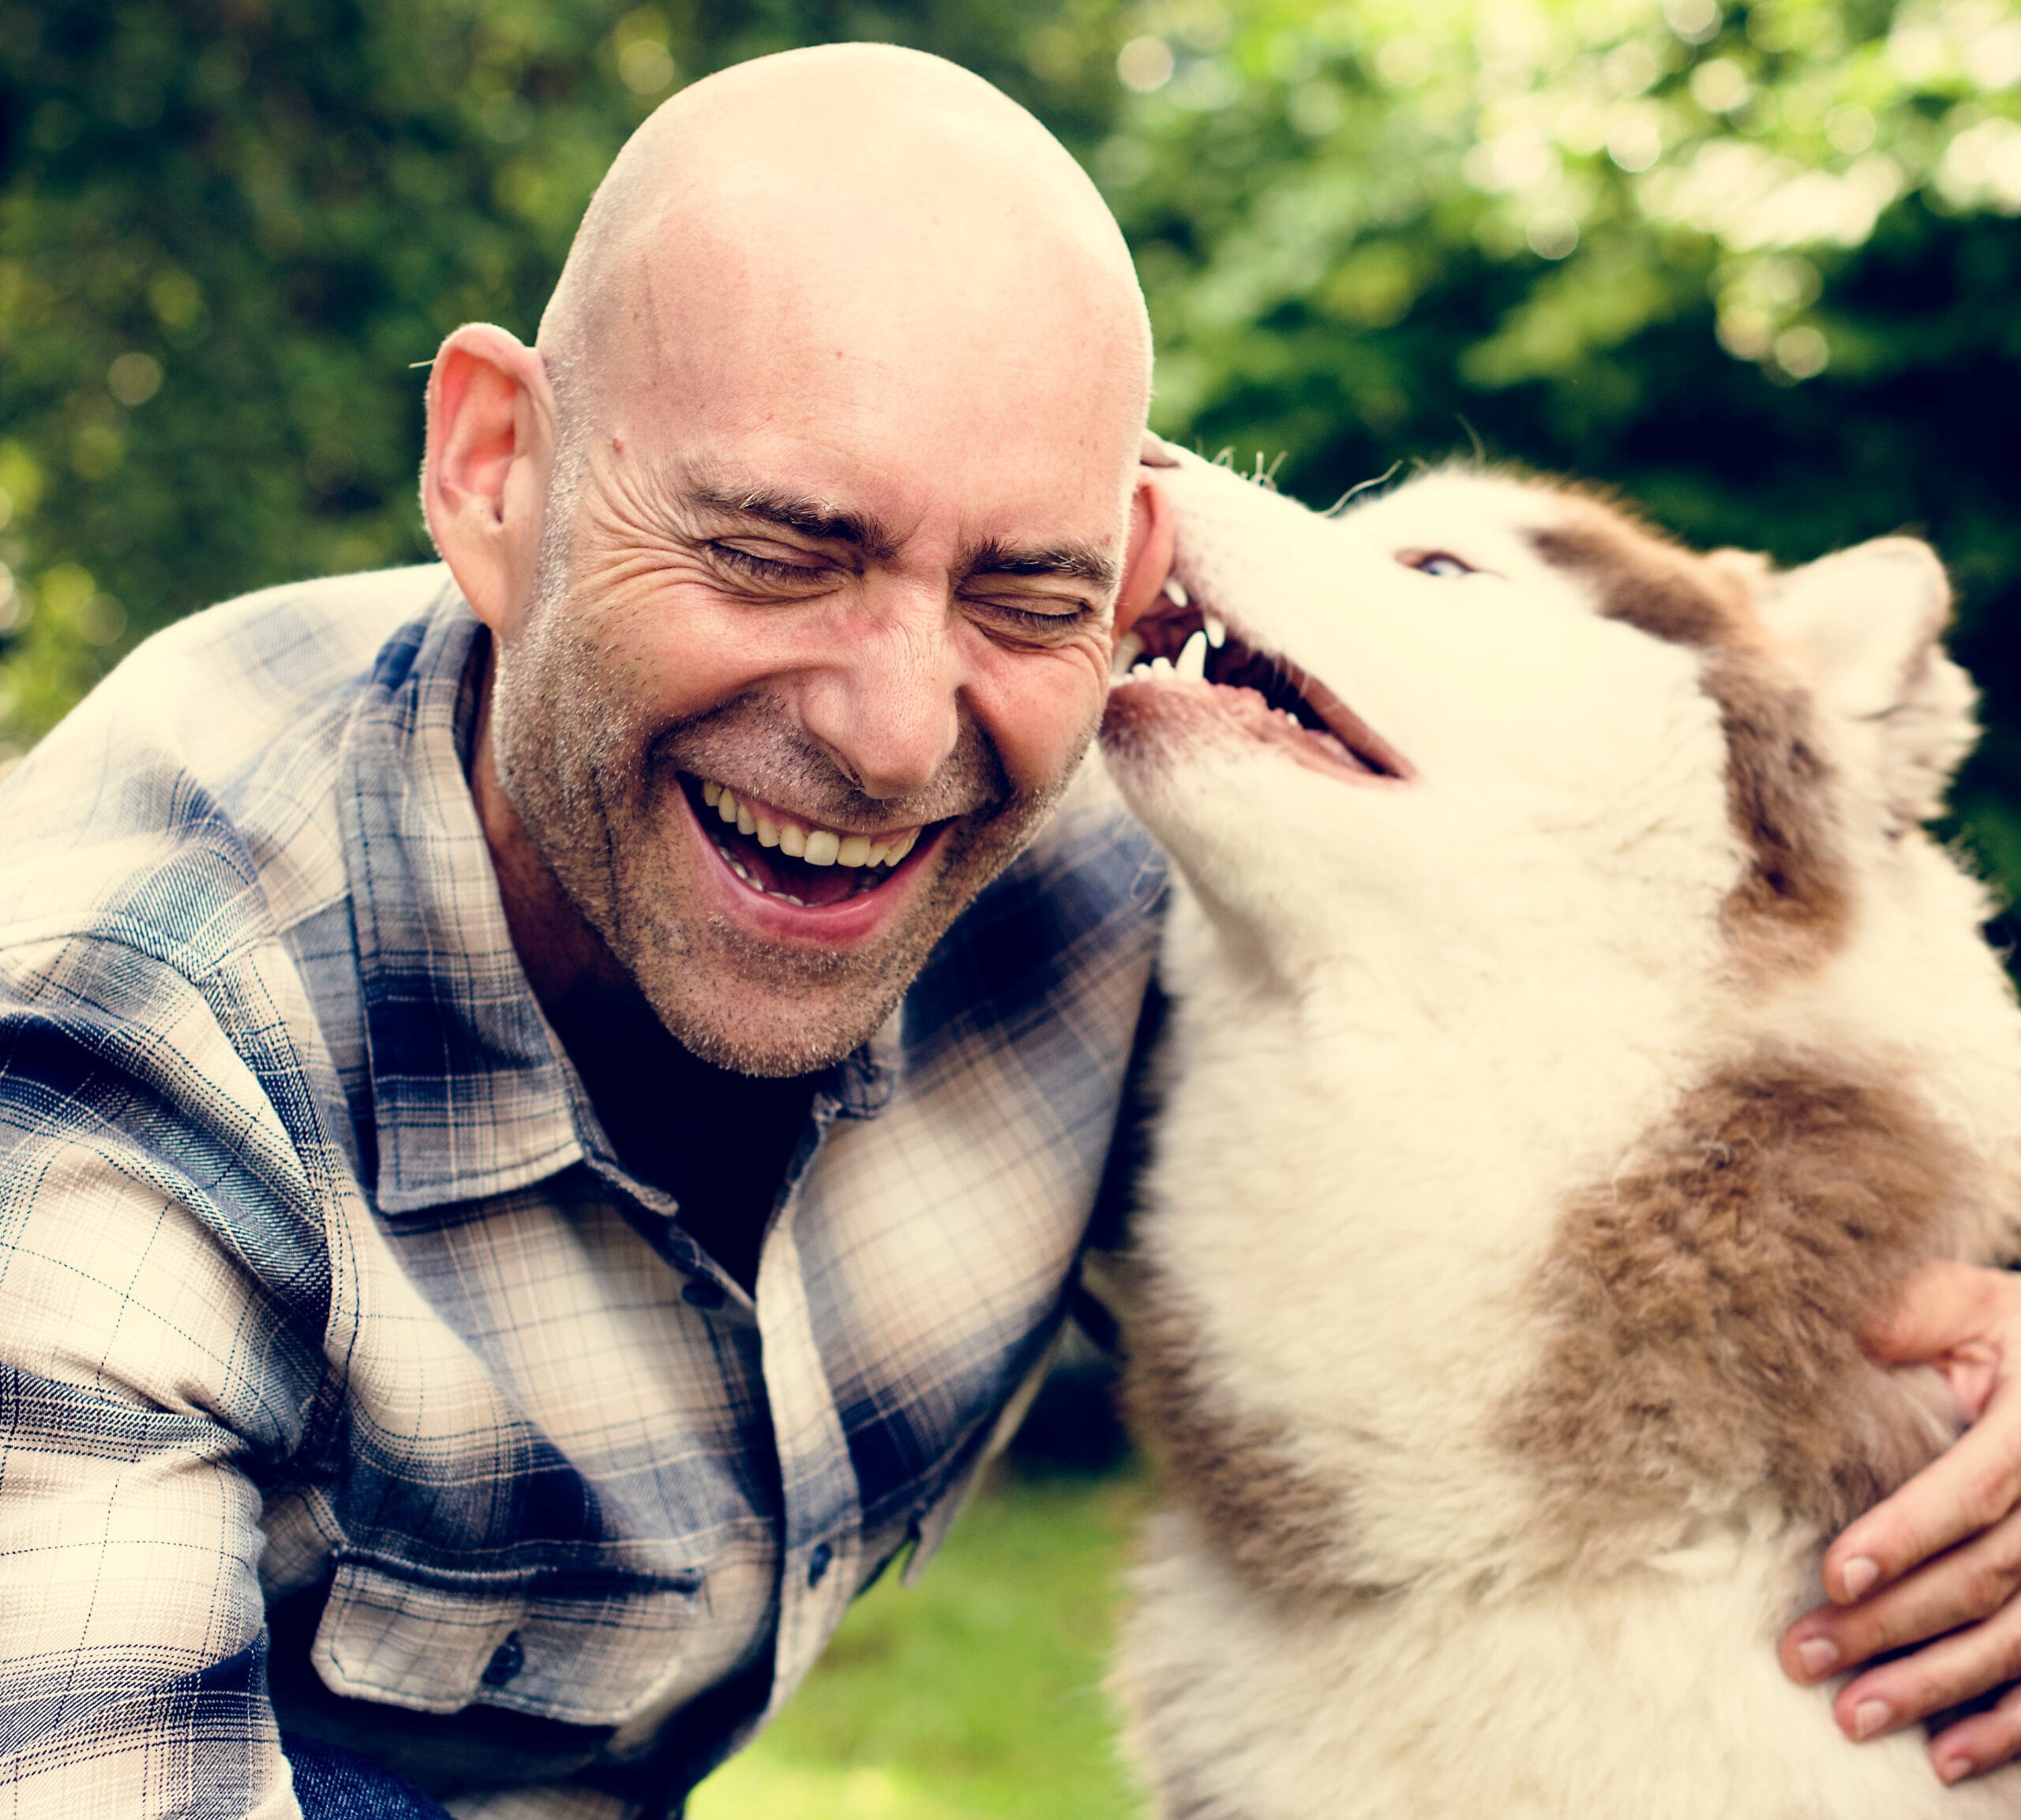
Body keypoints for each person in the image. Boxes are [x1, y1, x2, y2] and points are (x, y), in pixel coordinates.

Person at [2, 35, 2020, 1820]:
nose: (892, 738)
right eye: (776, 547)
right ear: (494, 468)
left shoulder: (1119, 840)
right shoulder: (113, 1063)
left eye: (1026, 594)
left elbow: (1627, 1078)